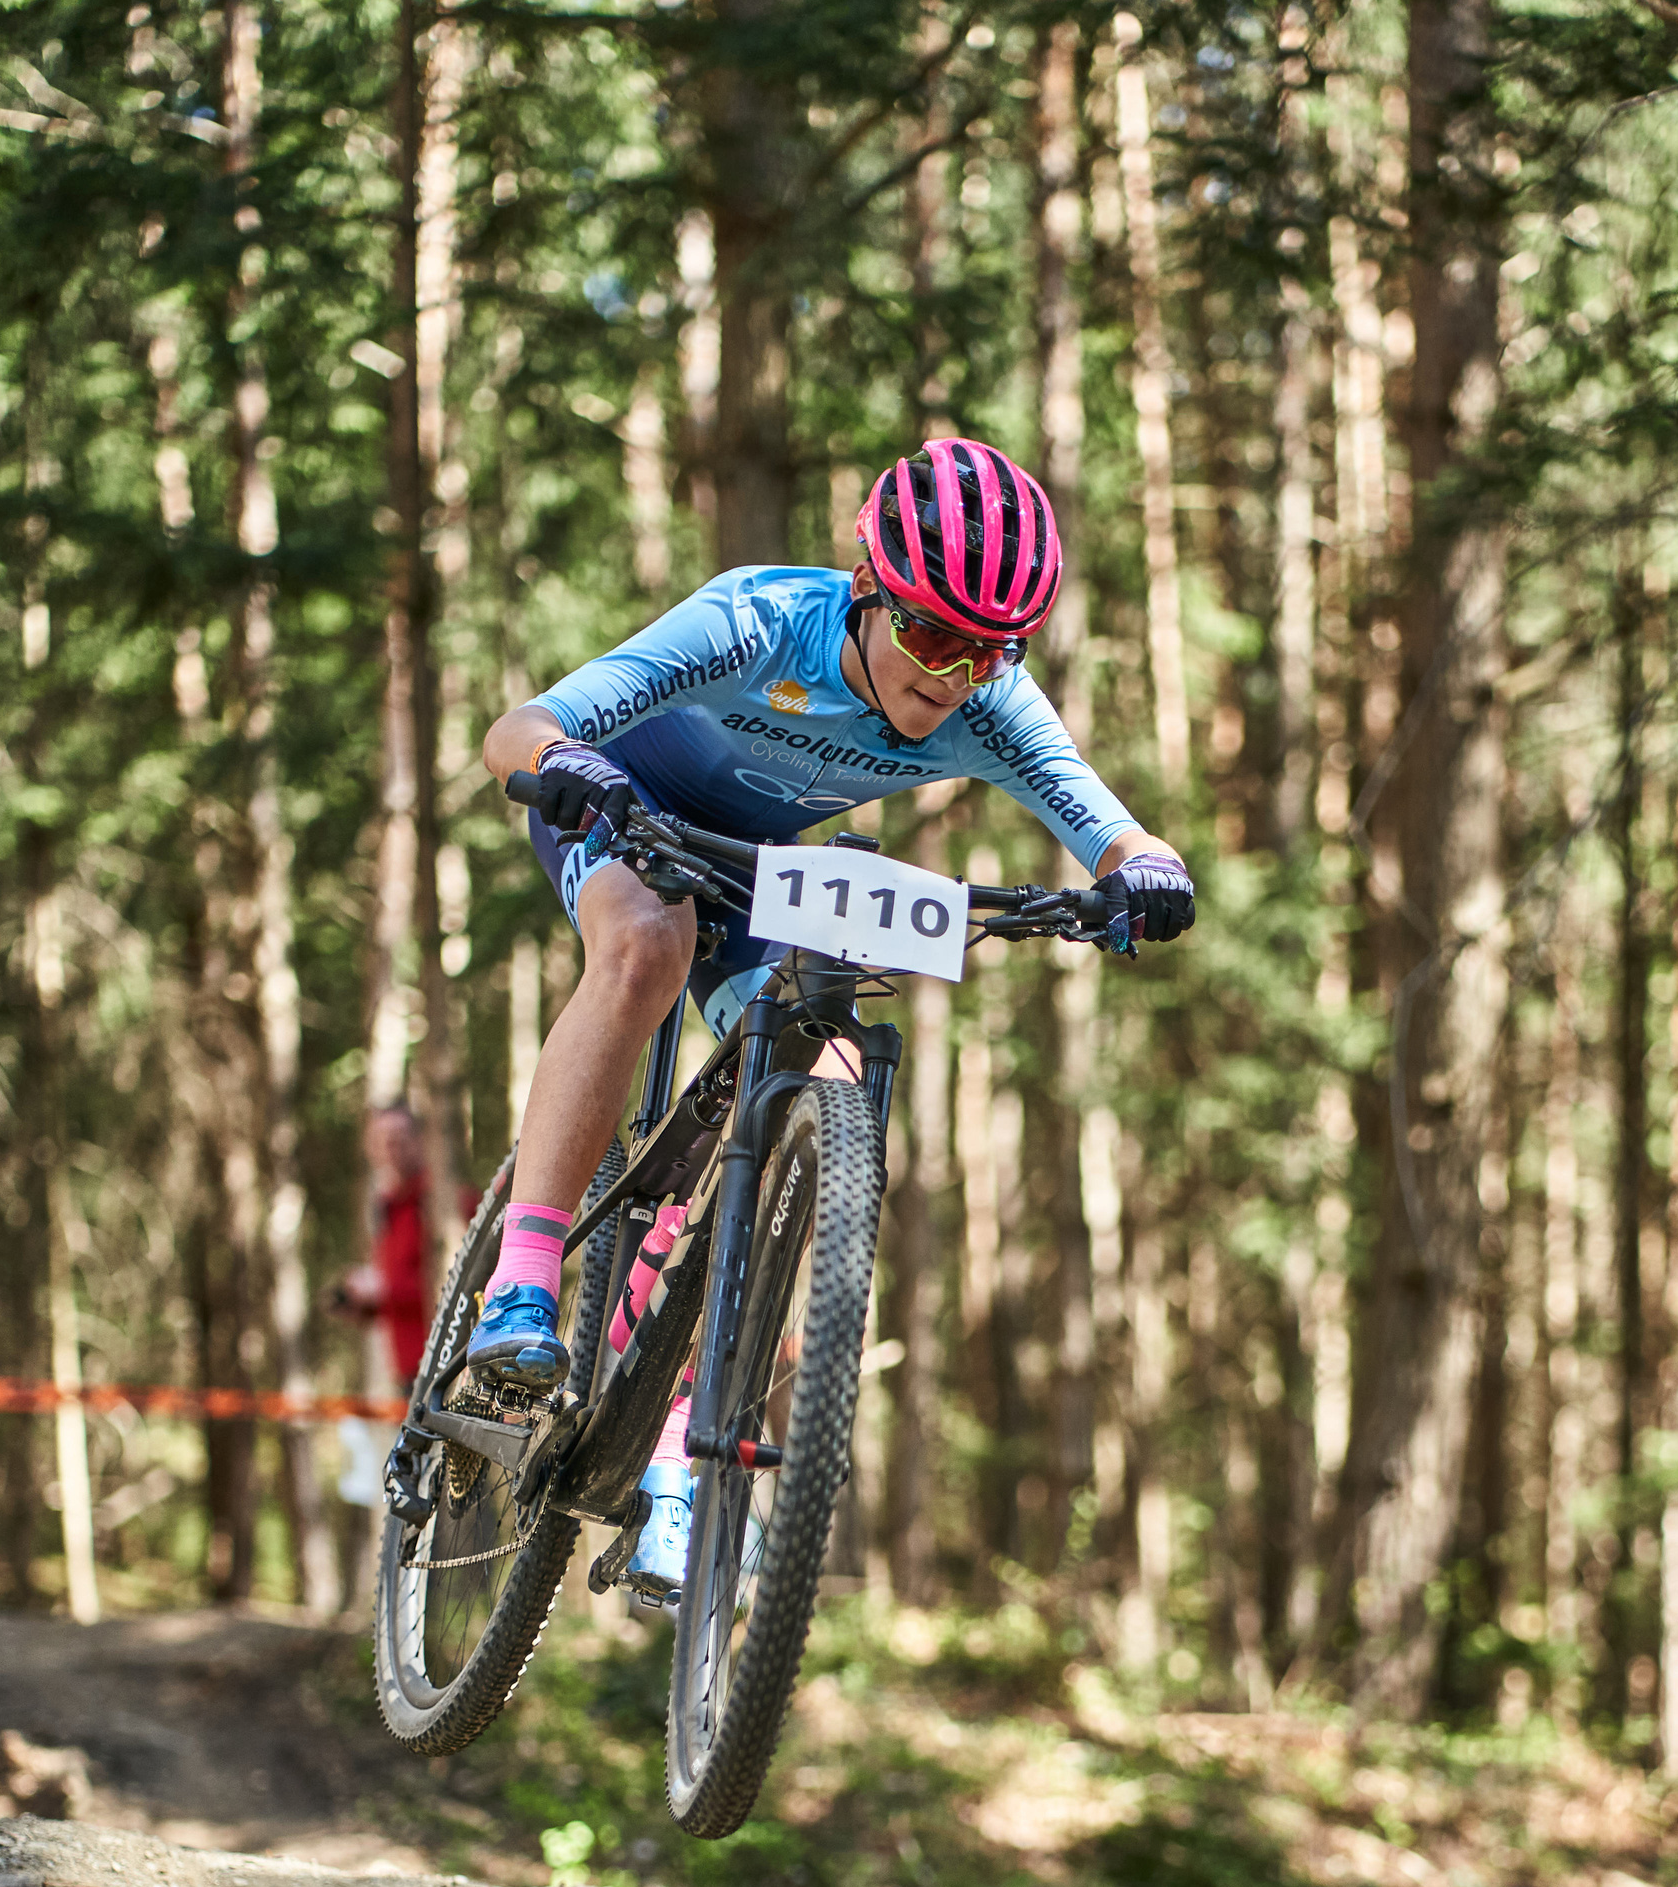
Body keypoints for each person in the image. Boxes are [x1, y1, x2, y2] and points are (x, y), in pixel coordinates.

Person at [471, 436, 1194, 1593]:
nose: (952, 675)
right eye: (931, 637)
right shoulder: (756, 622)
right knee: (648, 947)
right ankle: (522, 1275)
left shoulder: (989, 704)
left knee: (827, 1074)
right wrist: (568, 764)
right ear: (866, 589)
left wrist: (1144, 875)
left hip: (760, 867)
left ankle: (674, 1438)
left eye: (988, 650)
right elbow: (519, 728)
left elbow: (1112, 828)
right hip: (625, 807)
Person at [339, 1102, 429, 1386]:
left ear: (418, 1140)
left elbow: (458, 1285)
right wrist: (364, 1303)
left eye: (399, 1137)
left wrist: (383, 1291)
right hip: (406, 1368)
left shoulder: (442, 1203)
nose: (391, 1148)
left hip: (444, 1362)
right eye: (381, 1140)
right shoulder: (386, 1206)